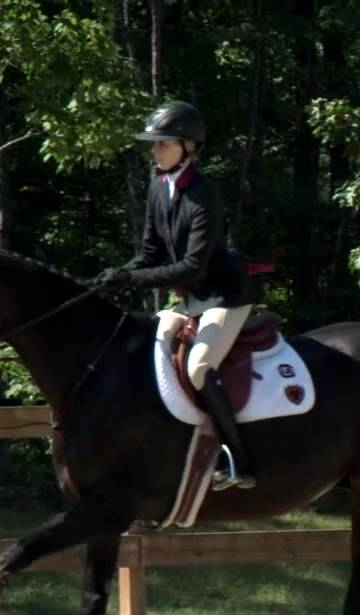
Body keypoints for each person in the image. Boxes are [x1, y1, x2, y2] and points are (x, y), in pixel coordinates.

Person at [90, 100, 263, 489]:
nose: (155, 151)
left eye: (163, 144)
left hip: (224, 295)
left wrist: (134, 281)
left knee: (199, 364)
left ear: (187, 146)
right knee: (150, 350)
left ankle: (237, 459)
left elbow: (191, 267)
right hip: (190, 298)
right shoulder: (159, 186)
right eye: (154, 145)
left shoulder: (204, 194)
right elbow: (151, 254)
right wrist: (119, 274)